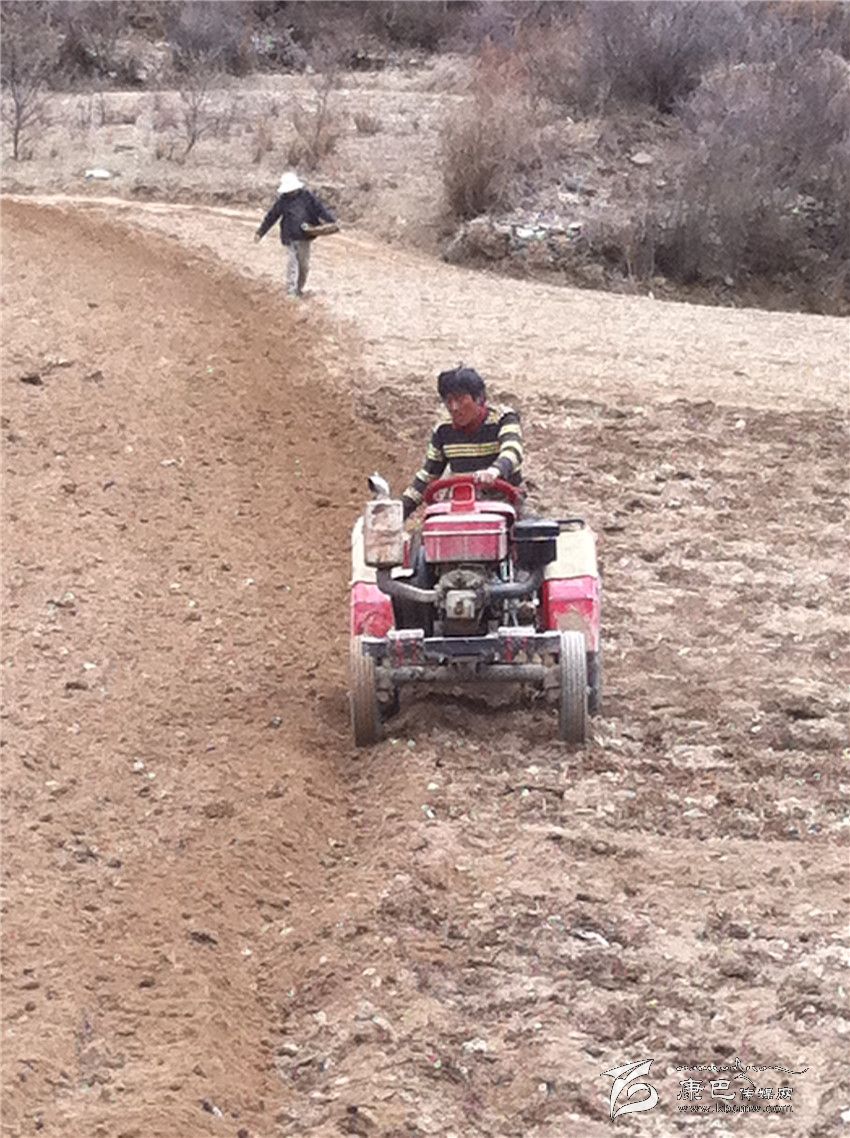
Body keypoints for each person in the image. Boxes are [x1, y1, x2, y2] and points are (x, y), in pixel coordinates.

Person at [401, 366, 524, 519]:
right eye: (448, 401)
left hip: (506, 505)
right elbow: (427, 476)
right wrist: (398, 511)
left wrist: (494, 471)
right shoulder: (443, 430)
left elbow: (512, 450)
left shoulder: (503, 419)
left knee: (530, 529)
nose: (454, 407)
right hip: (461, 508)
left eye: (460, 399)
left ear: (479, 398)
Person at [254, 171, 336, 297]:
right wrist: (260, 232)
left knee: (304, 266)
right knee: (292, 265)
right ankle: (291, 291)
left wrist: (331, 221)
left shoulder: (307, 197)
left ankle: (299, 289)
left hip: (305, 237)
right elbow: (272, 216)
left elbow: (320, 209)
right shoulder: (283, 201)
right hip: (290, 238)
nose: (290, 193)